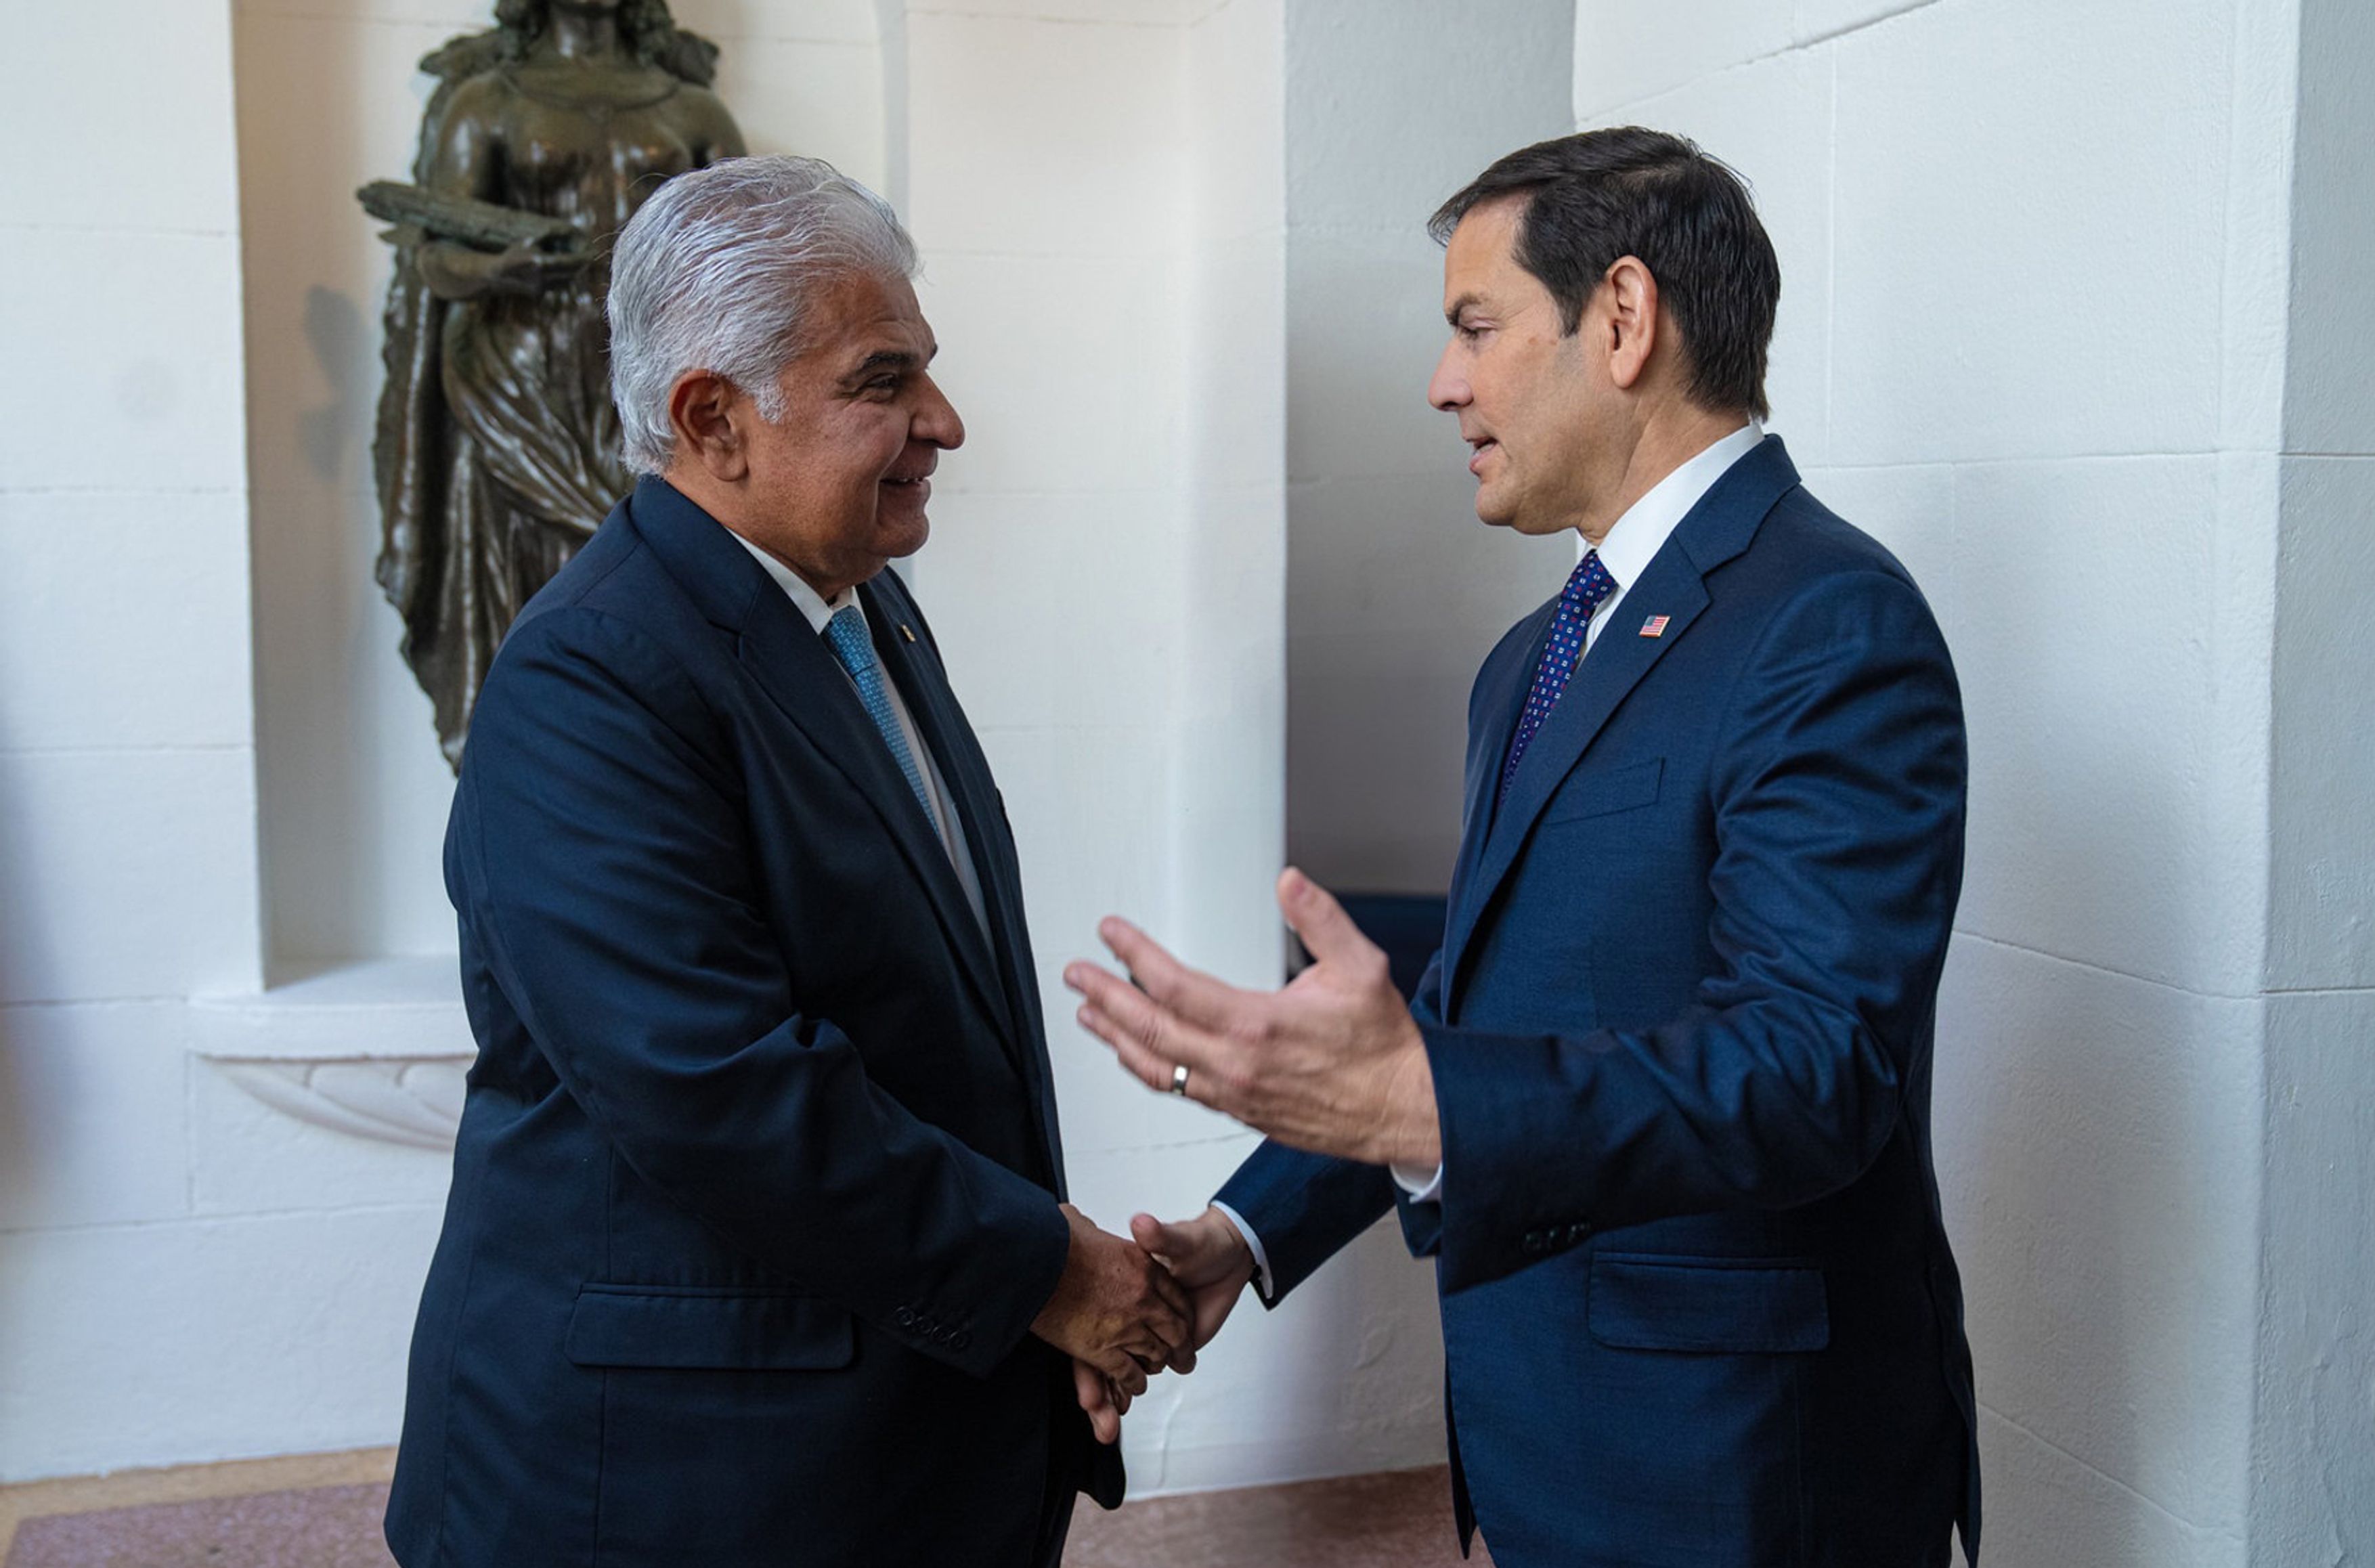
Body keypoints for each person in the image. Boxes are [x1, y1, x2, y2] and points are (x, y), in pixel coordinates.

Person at [1067, 128, 1980, 1567]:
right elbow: (1475, 1010)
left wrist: (1418, 1108)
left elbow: (1815, 1067)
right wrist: (1242, 1236)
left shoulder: (1827, 624)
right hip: (1545, 1440)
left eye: (1475, 327)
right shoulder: (1529, 659)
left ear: (1620, 319)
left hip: (1736, 1468)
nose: (1443, 381)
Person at [384, 154, 1189, 1568]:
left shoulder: (862, 609)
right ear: (715, 420)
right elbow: (715, 1087)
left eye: (924, 368)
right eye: (883, 381)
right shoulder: (591, 674)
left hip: (875, 1434)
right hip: (679, 1481)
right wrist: (1046, 1272)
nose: (943, 421)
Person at [372, 0, 745, 766]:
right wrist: (501, 270)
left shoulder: (693, 110)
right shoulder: (488, 102)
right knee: (530, 604)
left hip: (656, 388)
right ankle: (531, 781)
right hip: (517, 390)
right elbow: (435, 260)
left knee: (663, 596)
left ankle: (653, 778)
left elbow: (744, 258)